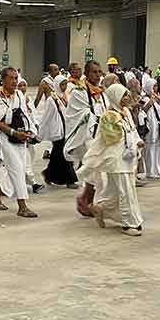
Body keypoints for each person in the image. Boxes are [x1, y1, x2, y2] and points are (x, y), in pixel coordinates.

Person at [78, 83, 144, 236]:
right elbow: (111, 138)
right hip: (116, 159)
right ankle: (129, 223)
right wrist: (122, 127)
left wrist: (137, 141)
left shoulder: (125, 112)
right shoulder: (108, 117)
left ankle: (100, 208)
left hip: (128, 158)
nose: (126, 98)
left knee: (115, 192)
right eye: (123, 96)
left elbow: (132, 131)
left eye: (127, 95)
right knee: (125, 191)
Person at [0, 68, 38, 218]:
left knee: (18, 171)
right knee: (16, 169)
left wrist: (30, 131)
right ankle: (22, 206)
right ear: (2, 80)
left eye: (16, 78)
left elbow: (24, 115)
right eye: (11, 78)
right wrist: (14, 133)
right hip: (5, 138)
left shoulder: (19, 96)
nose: (15, 81)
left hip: (20, 138)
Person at [64, 60, 107, 217]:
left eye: (99, 72)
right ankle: (89, 201)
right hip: (86, 136)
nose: (97, 75)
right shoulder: (79, 92)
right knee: (97, 169)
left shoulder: (101, 92)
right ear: (87, 74)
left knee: (96, 170)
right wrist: (93, 116)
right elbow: (74, 115)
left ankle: (85, 200)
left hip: (100, 135)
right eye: (94, 72)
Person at [37, 75, 78, 188]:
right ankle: (70, 180)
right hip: (57, 130)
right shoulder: (51, 100)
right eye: (62, 85)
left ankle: (48, 174)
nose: (64, 87)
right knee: (64, 154)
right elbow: (46, 117)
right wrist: (39, 134)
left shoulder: (65, 97)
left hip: (66, 129)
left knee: (57, 154)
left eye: (65, 84)